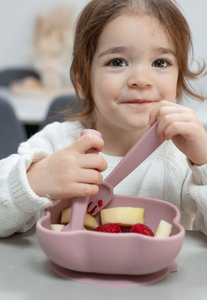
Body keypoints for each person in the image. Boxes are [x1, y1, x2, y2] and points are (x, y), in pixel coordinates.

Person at [1, 0, 207, 238]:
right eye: (117, 62)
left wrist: (203, 163)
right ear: (82, 81)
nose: (141, 79)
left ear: (178, 82)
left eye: (160, 62)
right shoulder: (53, 146)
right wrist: (35, 180)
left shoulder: (184, 158)